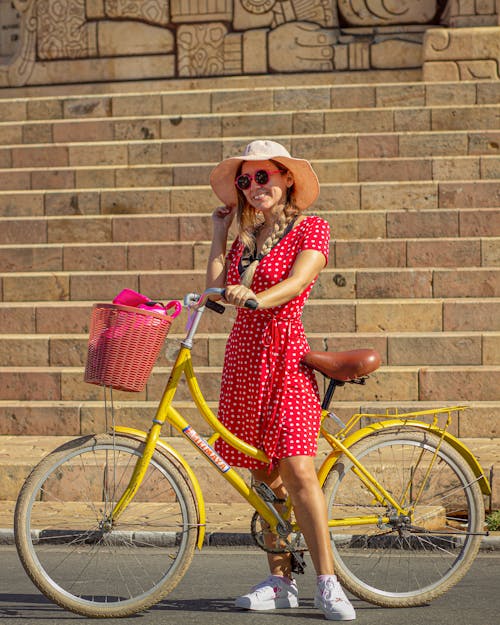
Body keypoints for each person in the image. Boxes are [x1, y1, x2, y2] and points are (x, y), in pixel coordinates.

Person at [206, 140, 356, 621]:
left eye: (262, 177)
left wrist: (257, 297)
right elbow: (213, 290)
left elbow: (298, 280)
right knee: (264, 474)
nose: (253, 188)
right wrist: (219, 232)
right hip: (246, 358)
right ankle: (280, 579)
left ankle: (329, 582)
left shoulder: (312, 226)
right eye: (244, 181)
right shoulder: (246, 240)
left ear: (286, 178)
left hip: (285, 352)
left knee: (298, 469)